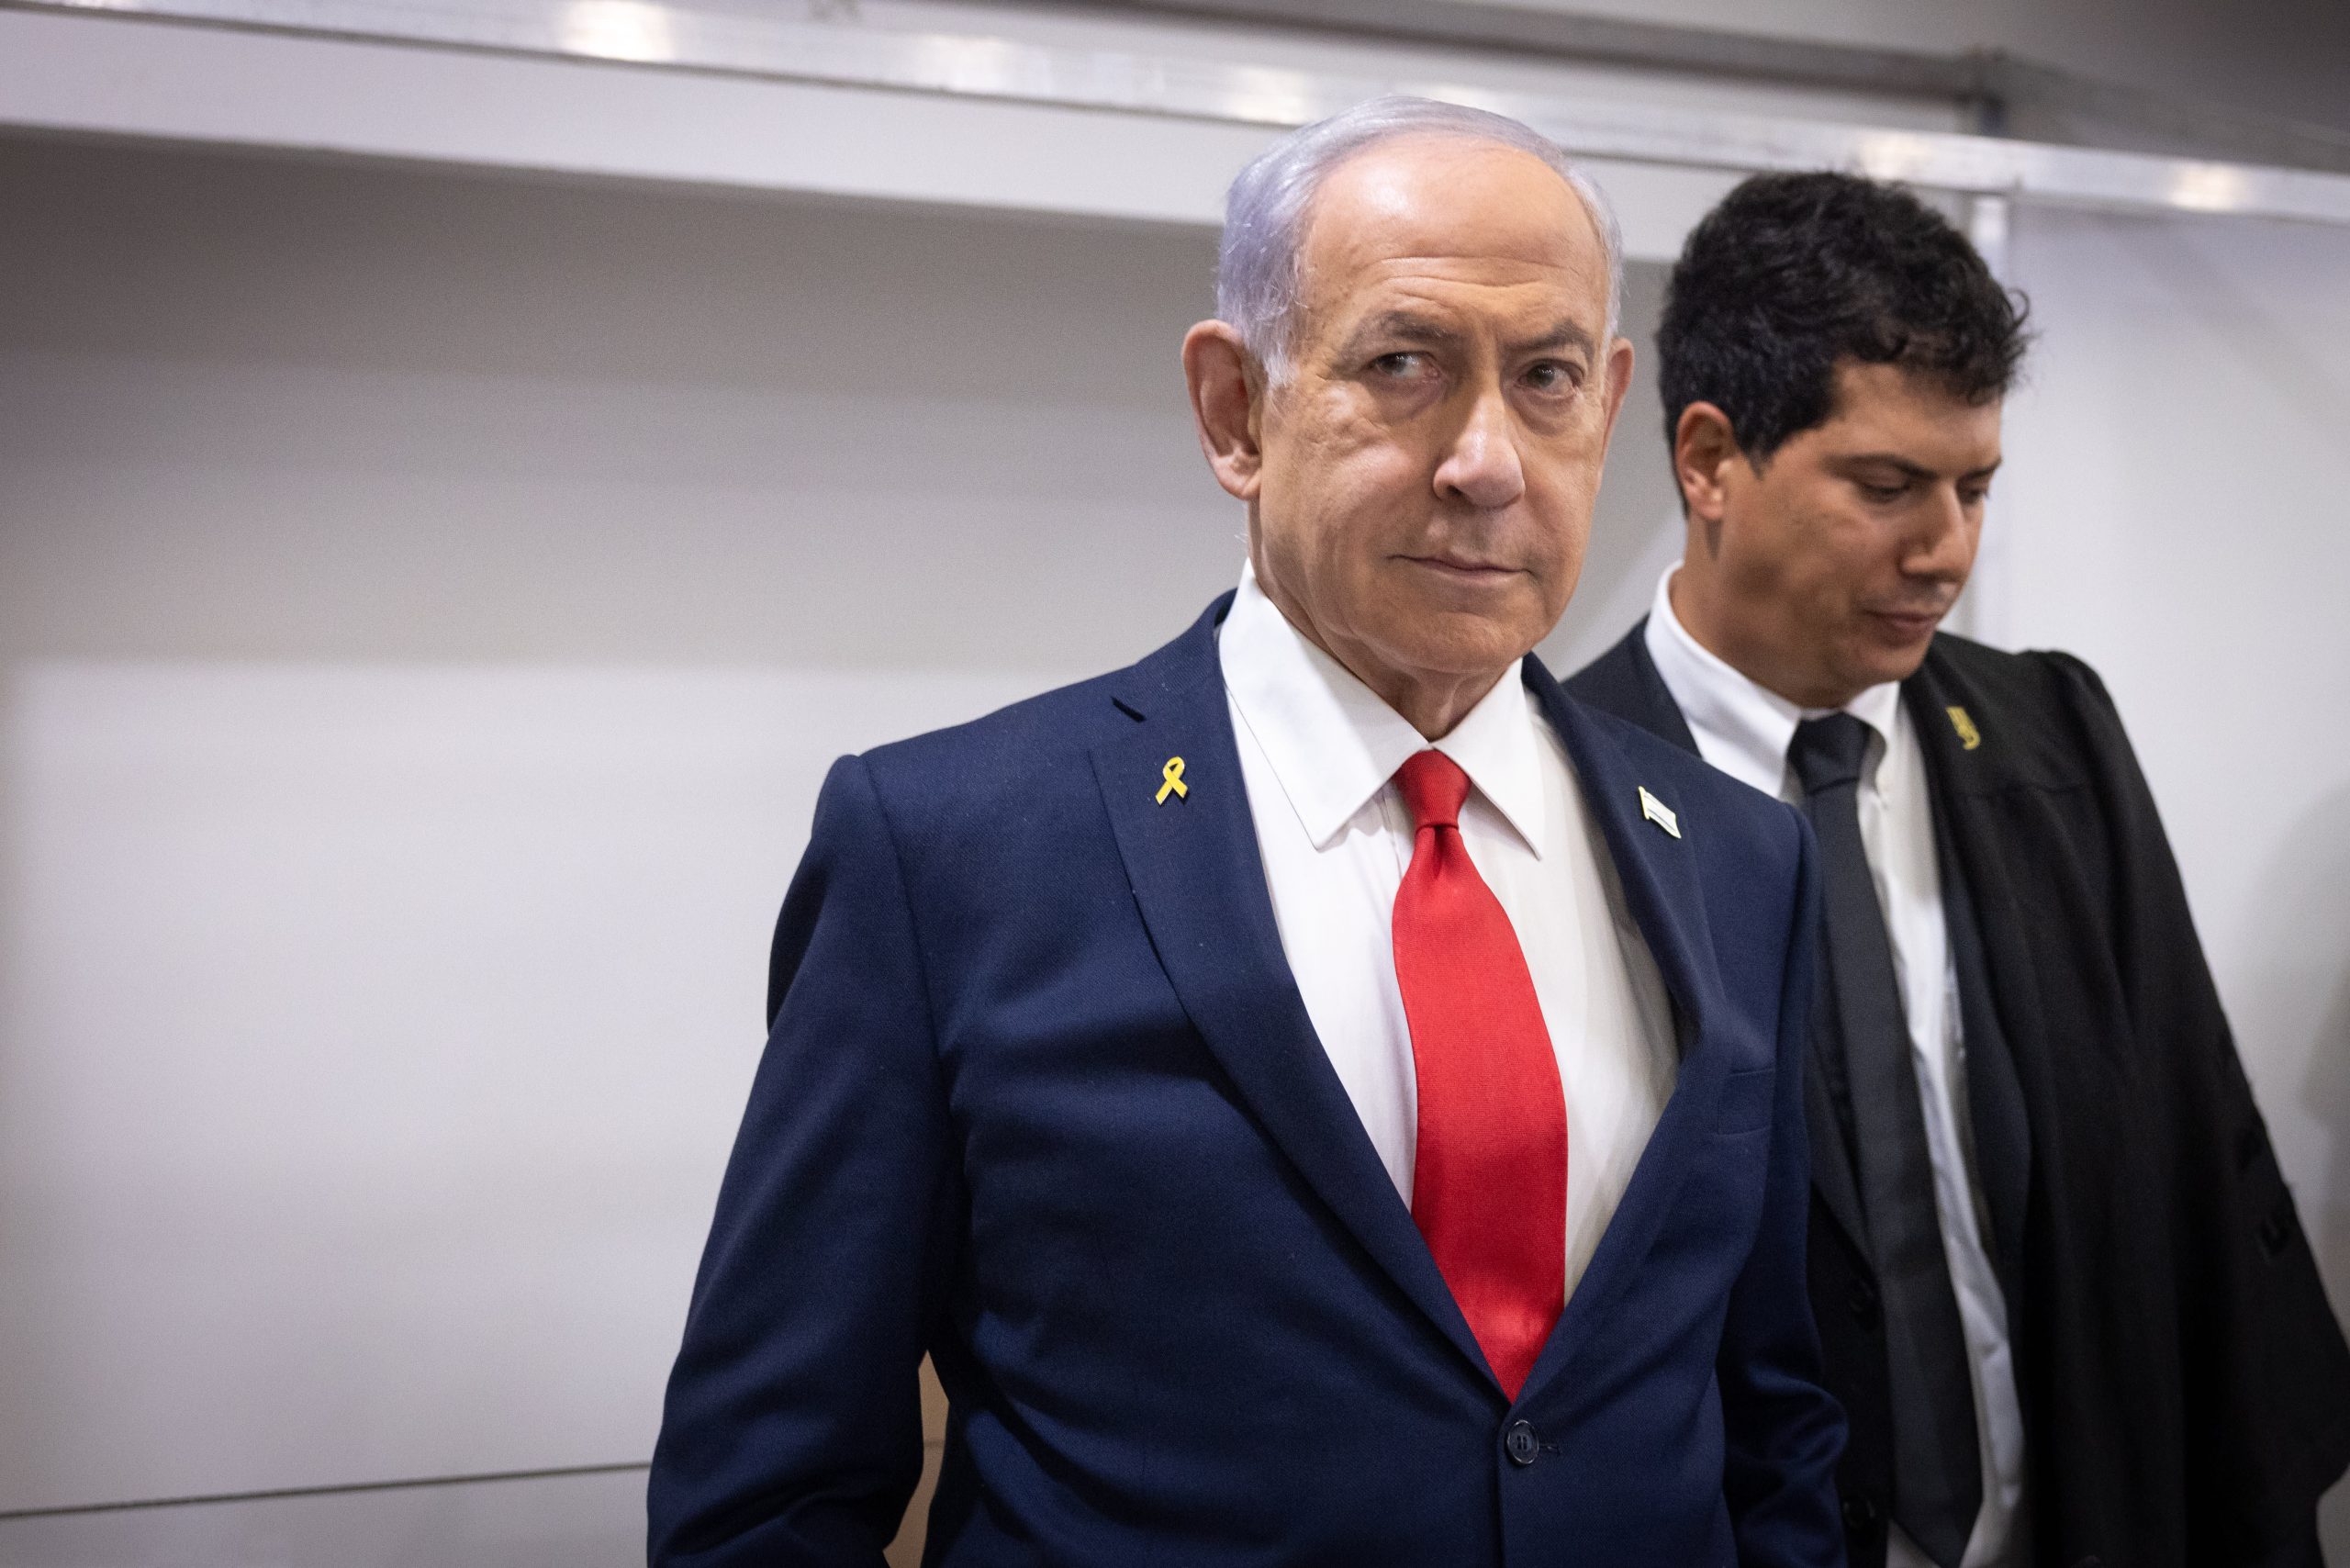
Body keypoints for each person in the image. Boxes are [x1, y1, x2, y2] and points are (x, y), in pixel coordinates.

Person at [647, 98, 1847, 1566]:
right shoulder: (954, 851)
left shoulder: (1738, 859)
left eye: (1544, 378)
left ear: (1606, 408)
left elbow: (1776, 1421)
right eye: (1403, 365)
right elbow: (768, 1494)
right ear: (1235, 412)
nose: (1486, 461)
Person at [1568, 170, 2350, 1568]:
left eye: (1975, 488)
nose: (1947, 551)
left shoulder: (2053, 738)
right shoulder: (1563, 793)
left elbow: (2200, 1171)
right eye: (1888, 489)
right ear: (1710, 460)